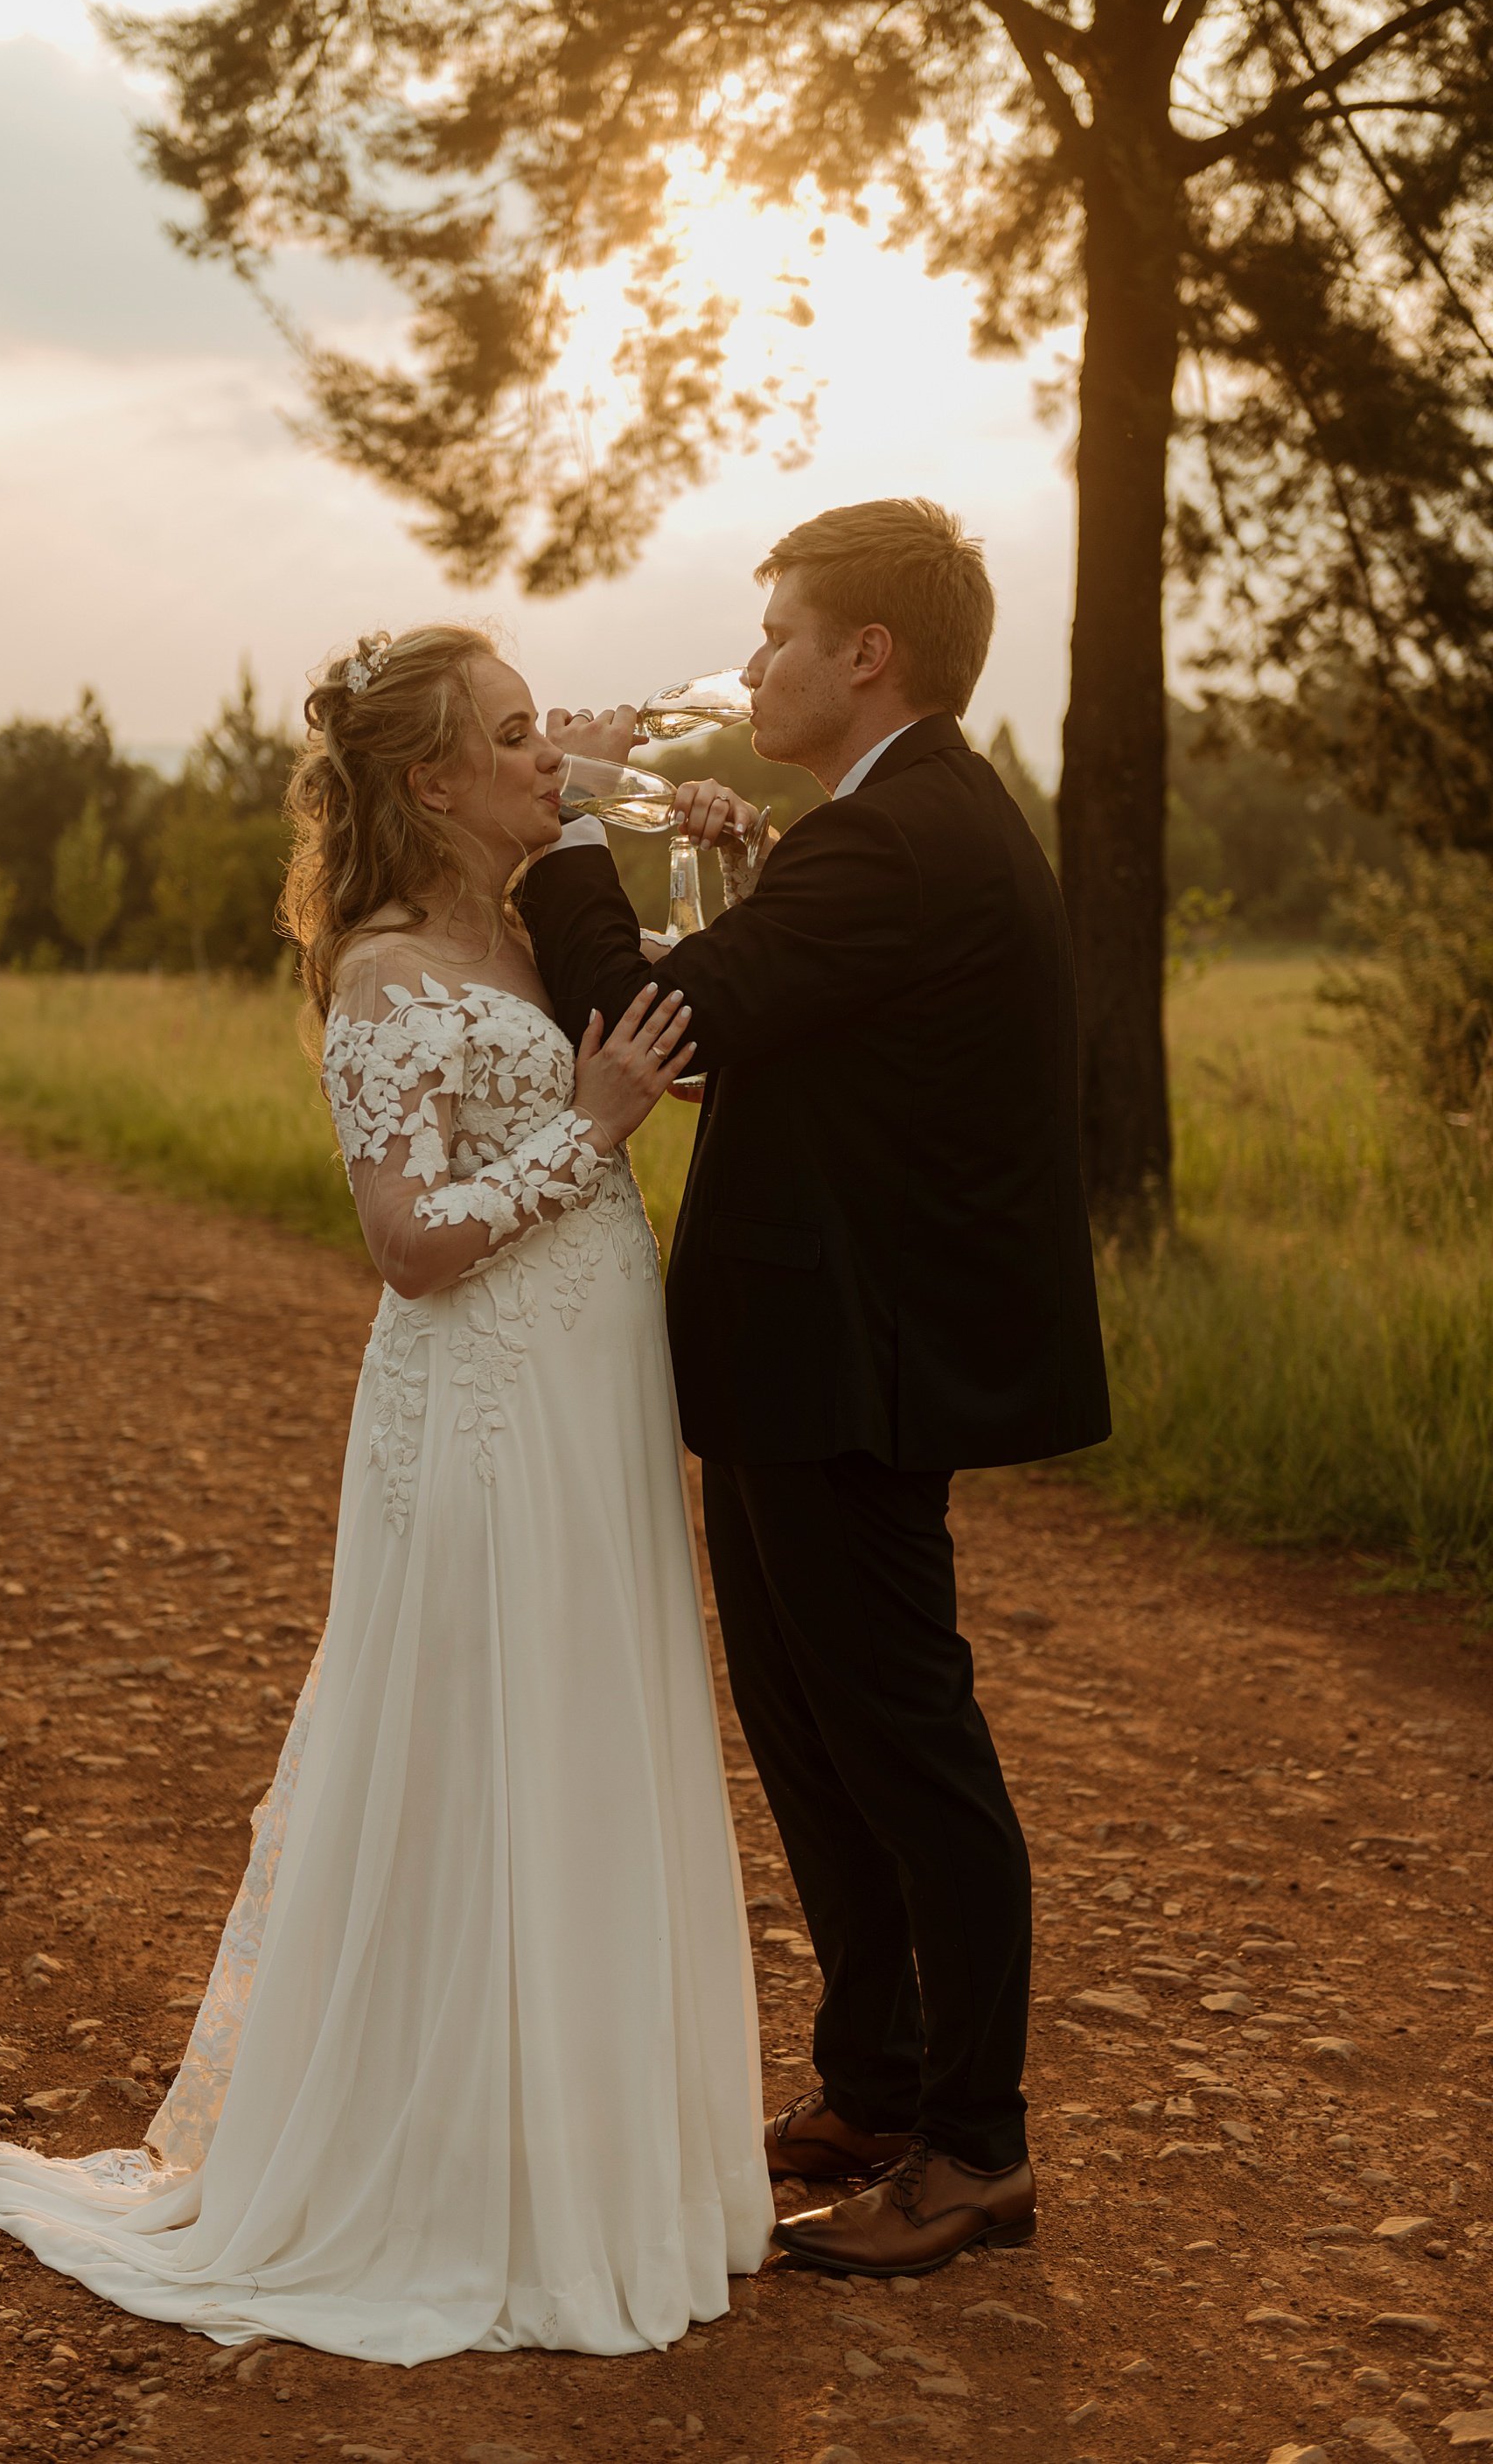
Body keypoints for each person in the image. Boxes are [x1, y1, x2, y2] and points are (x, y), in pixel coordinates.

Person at [0, 624, 775, 2360]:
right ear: (426, 780)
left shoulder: (526, 917)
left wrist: (709, 855)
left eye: (541, 725)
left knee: (591, 1724)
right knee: (483, 1745)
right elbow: (407, 1245)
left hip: (592, 1393)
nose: (544, 751)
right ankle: (445, 2177)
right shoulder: (393, 969)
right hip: (480, 1403)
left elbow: (670, 1024)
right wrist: (592, 1129)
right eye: (508, 734)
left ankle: (586, 2153)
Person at [521, 499, 1111, 2280]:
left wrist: (564, 824)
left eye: (778, 629)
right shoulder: (879, 829)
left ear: (868, 654)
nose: (753, 656)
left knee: (908, 1748)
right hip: (808, 1361)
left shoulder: (900, 839)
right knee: (814, 1732)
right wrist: (722, 866)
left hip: (861, 1365)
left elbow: (646, 1029)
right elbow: (774, 1034)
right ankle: (872, 2085)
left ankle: (978, 2146)